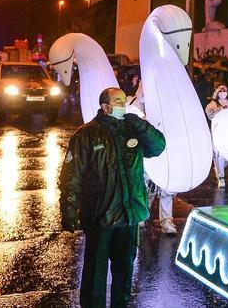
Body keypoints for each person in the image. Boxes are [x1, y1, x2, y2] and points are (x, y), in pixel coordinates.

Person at [59, 87, 166, 308]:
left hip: (129, 214)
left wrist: (140, 124)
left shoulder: (131, 129)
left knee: (124, 271)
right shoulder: (86, 134)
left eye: (124, 100)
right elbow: (71, 175)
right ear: (105, 107)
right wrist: (68, 209)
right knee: (95, 274)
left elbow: (158, 146)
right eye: (117, 101)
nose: (123, 104)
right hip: (100, 215)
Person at [204, 84, 228, 188]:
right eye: (221, 90)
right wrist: (219, 109)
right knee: (219, 153)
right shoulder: (214, 103)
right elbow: (209, 113)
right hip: (217, 132)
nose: (223, 92)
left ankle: (218, 168)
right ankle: (221, 177)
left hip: (227, 132)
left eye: (225, 90)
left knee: (226, 155)